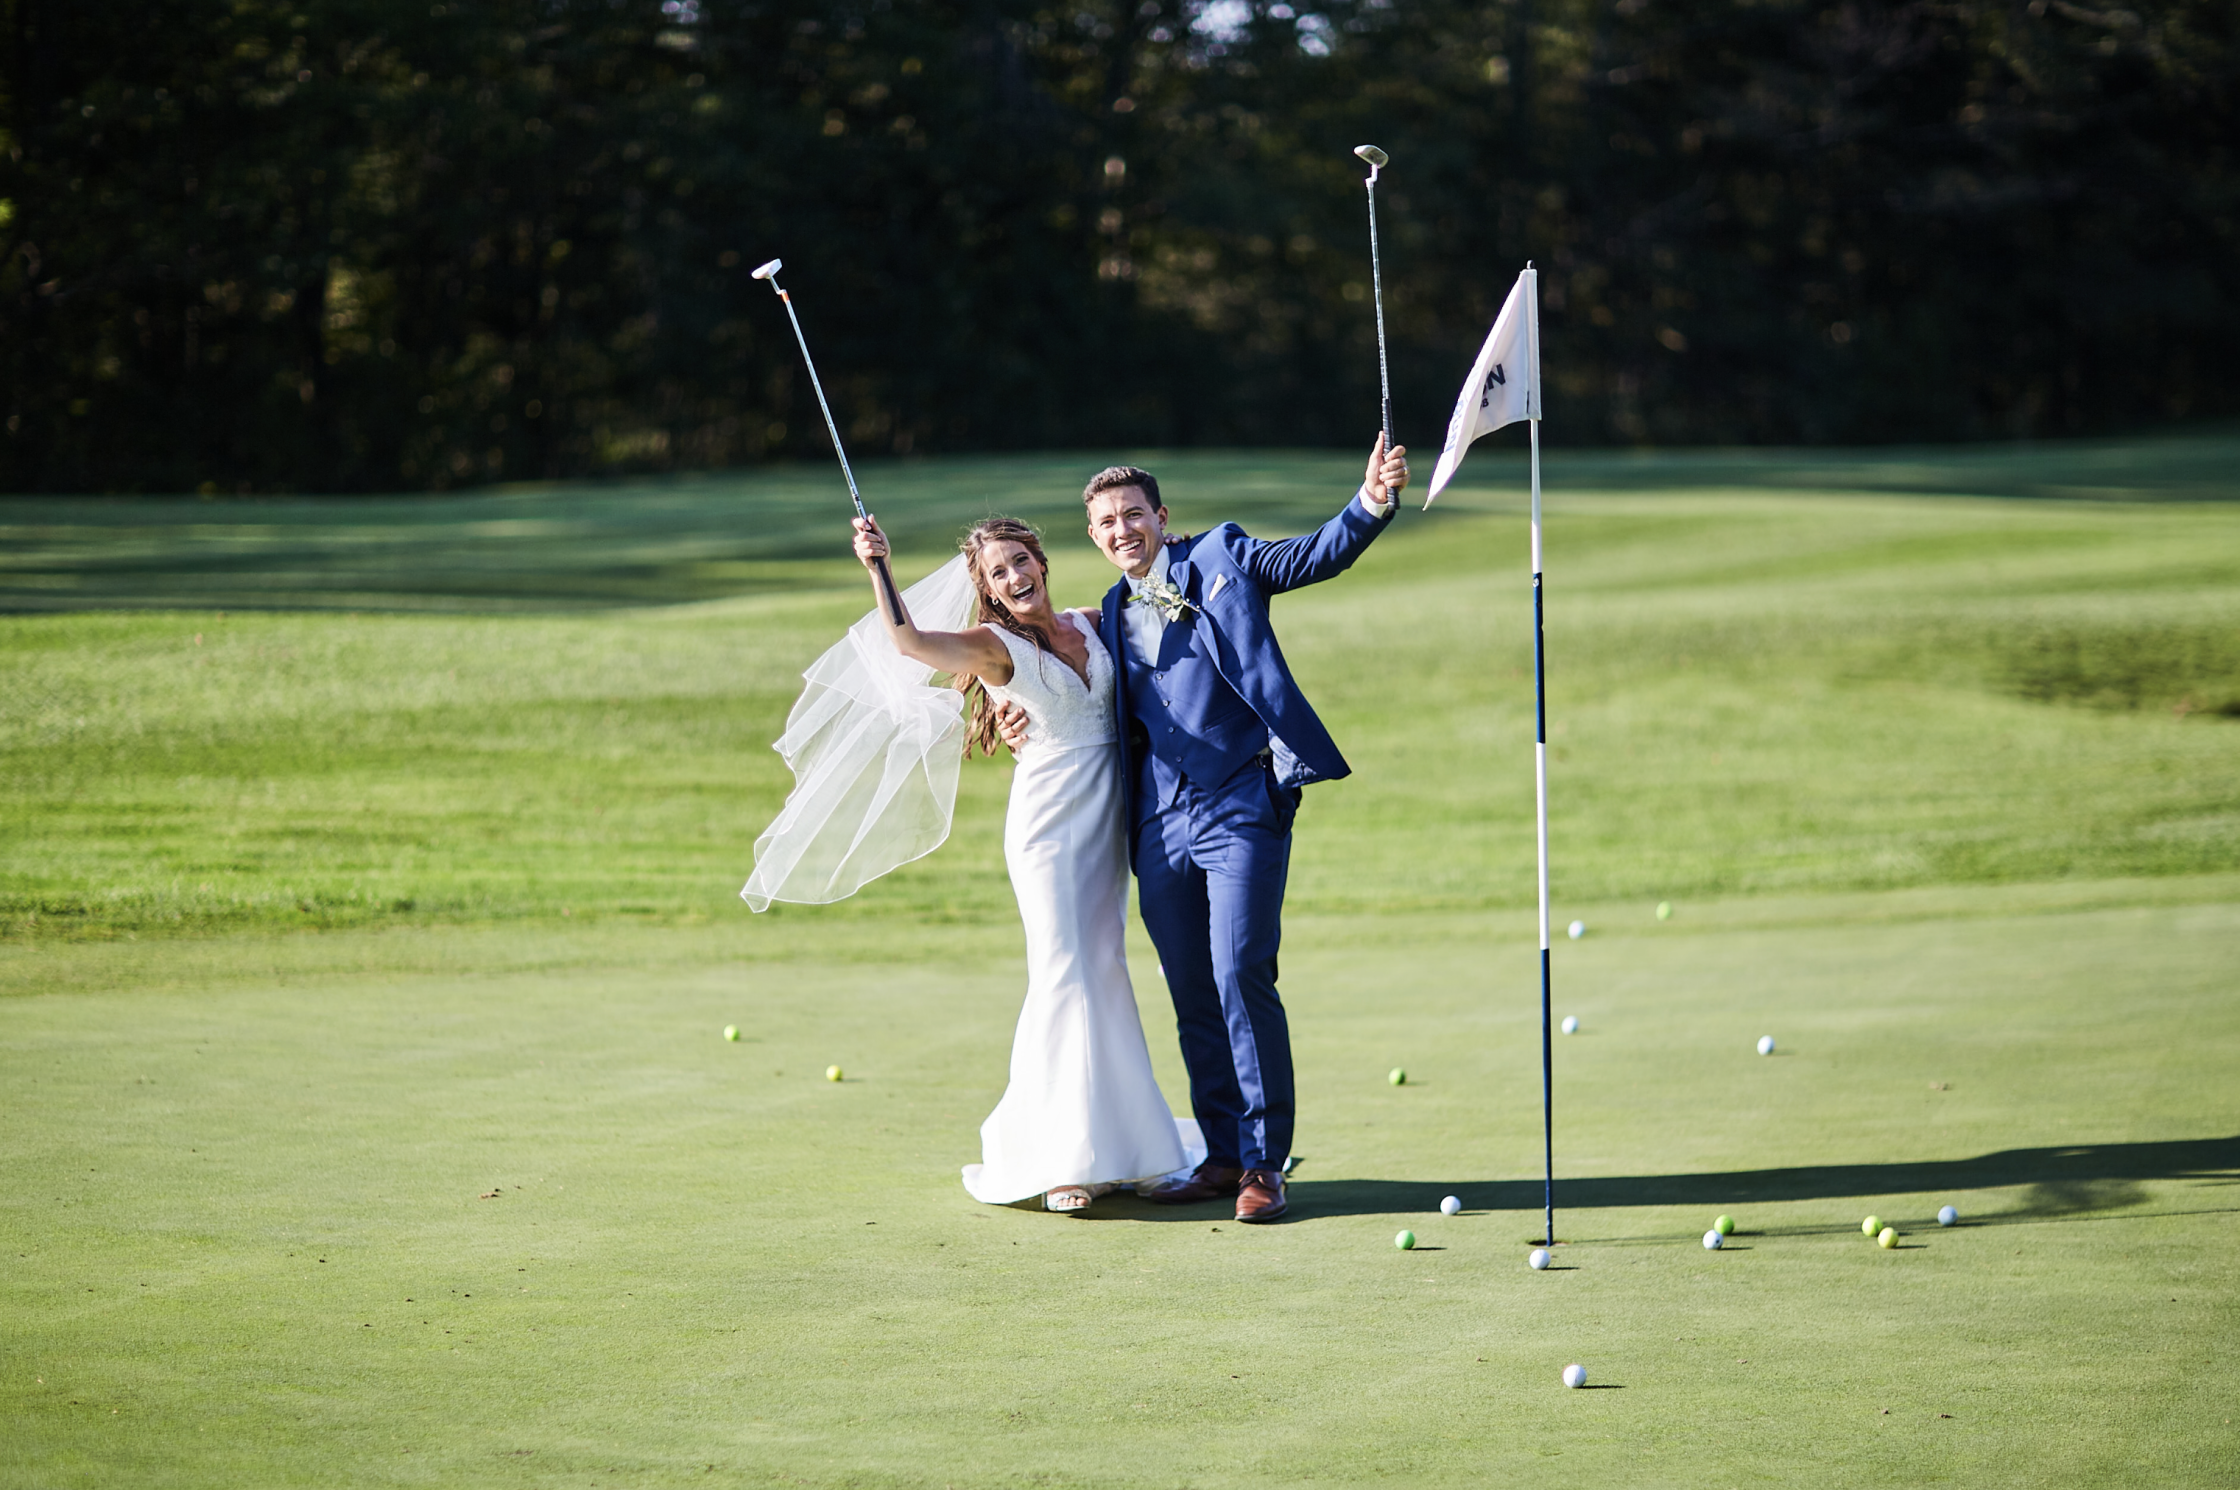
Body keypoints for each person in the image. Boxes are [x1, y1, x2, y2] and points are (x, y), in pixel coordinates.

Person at [998, 436, 1410, 1223]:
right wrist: (1011, 711)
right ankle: (1221, 1155)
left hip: (1241, 808)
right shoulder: (1107, 614)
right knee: (1190, 989)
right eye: (1106, 523)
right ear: (1093, 538)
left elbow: (1311, 557)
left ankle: (1263, 1165)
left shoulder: (1223, 555)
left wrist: (1371, 504)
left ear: (1161, 517)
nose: (1122, 530)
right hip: (1157, 825)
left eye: (1133, 515)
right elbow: (1036, 659)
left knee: (1239, 970)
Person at [845, 515, 1200, 1214]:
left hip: (1108, 822)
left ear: (1041, 560)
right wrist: (877, 566)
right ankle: (1060, 1160)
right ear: (990, 591)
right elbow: (909, 643)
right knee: (1062, 970)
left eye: (1020, 561)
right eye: (998, 573)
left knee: (1104, 966)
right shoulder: (991, 645)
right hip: (1047, 828)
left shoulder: (1093, 622)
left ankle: (1139, 1149)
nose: (1015, 577)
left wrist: (1160, 533)